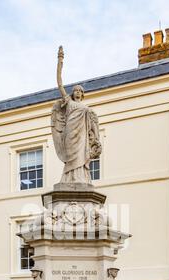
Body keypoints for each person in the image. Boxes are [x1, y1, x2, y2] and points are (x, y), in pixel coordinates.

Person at [51, 46, 102, 184]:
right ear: (73, 93)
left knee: (80, 155)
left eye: (80, 91)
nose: (77, 92)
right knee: (71, 156)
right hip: (70, 132)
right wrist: (60, 62)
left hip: (82, 136)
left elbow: (92, 125)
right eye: (75, 90)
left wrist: (96, 138)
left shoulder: (86, 108)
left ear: (83, 94)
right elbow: (60, 84)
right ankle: (69, 177)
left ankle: (80, 177)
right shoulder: (68, 102)